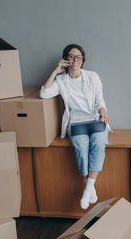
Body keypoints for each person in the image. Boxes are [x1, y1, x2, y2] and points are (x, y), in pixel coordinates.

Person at [40, 44, 110, 210]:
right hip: (76, 123)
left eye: (78, 57)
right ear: (65, 59)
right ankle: (90, 187)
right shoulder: (61, 80)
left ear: (83, 60)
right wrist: (56, 71)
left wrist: (104, 112)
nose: (75, 60)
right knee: (80, 147)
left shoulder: (92, 76)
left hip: (95, 119)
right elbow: (43, 93)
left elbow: (100, 100)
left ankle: (87, 189)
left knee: (99, 144)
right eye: (71, 56)